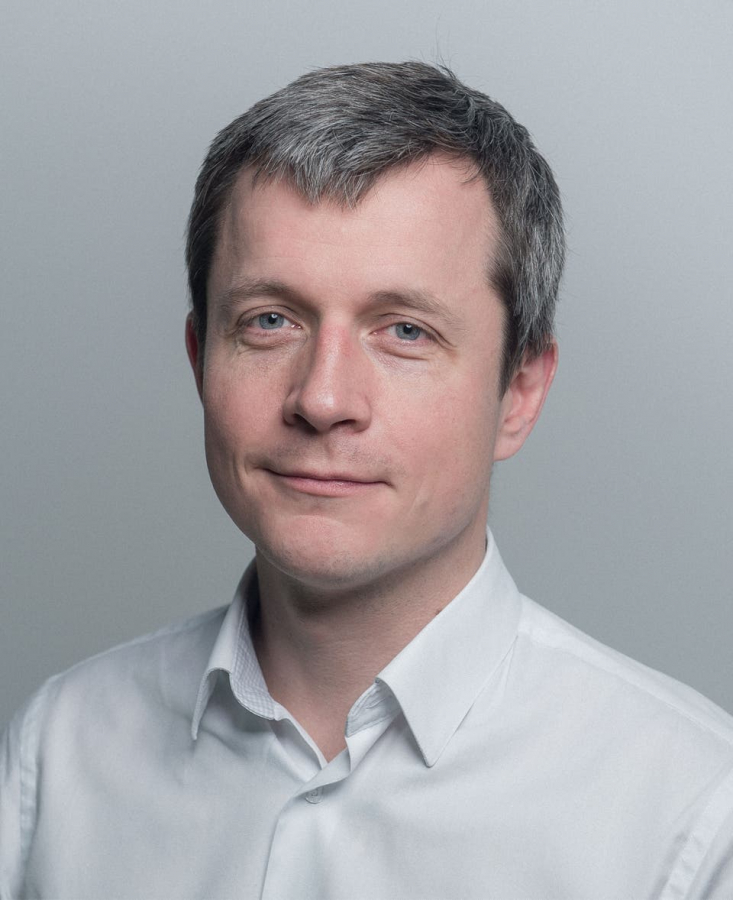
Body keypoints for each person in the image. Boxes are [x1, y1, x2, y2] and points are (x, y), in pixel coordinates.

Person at [1, 61, 732, 900]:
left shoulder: (689, 815)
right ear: (201, 360)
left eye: (405, 331)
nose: (322, 400)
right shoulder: (59, 752)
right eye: (269, 321)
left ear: (518, 392)